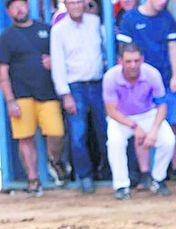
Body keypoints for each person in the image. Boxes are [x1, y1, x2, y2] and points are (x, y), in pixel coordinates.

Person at [2, 0, 69, 197]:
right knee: (25, 138)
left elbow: (61, 57)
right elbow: (2, 73)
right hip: (21, 96)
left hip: (47, 93)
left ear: (27, 7)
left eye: (21, 5)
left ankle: (54, 162)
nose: (19, 9)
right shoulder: (6, 38)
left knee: (56, 133)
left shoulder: (47, 30)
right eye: (14, 7)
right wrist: (10, 100)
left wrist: (53, 63)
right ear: (8, 12)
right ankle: (33, 179)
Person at [118, 0, 176, 177]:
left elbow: (172, 46)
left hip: (164, 78)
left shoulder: (166, 17)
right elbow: (123, 50)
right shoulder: (130, 18)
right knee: (142, 126)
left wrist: (175, 76)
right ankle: (146, 172)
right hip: (139, 82)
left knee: (174, 123)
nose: (163, 2)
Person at [102, 43, 176, 199]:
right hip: (121, 118)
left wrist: (154, 130)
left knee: (168, 140)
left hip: (148, 114)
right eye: (128, 61)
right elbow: (111, 111)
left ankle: (158, 179)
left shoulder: (152, 74)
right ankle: (121, 186)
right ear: (120, 61)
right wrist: (135, 127)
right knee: (115, 142)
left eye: (136, 61)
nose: (133, 65)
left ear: (142, 59)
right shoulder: (111, 77)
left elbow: (162, 105)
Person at [50, 0, 105, 194]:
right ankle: (85, 176)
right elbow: (57, 64)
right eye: (71, 2)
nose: (75, 6)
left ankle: (108, 172)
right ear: (66, 4)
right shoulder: (58, 30)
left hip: (98, 84)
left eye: (79, 2)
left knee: (105, 130)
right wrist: (65, 94)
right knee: (78, 134)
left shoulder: (95, 22)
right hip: (75, 87)